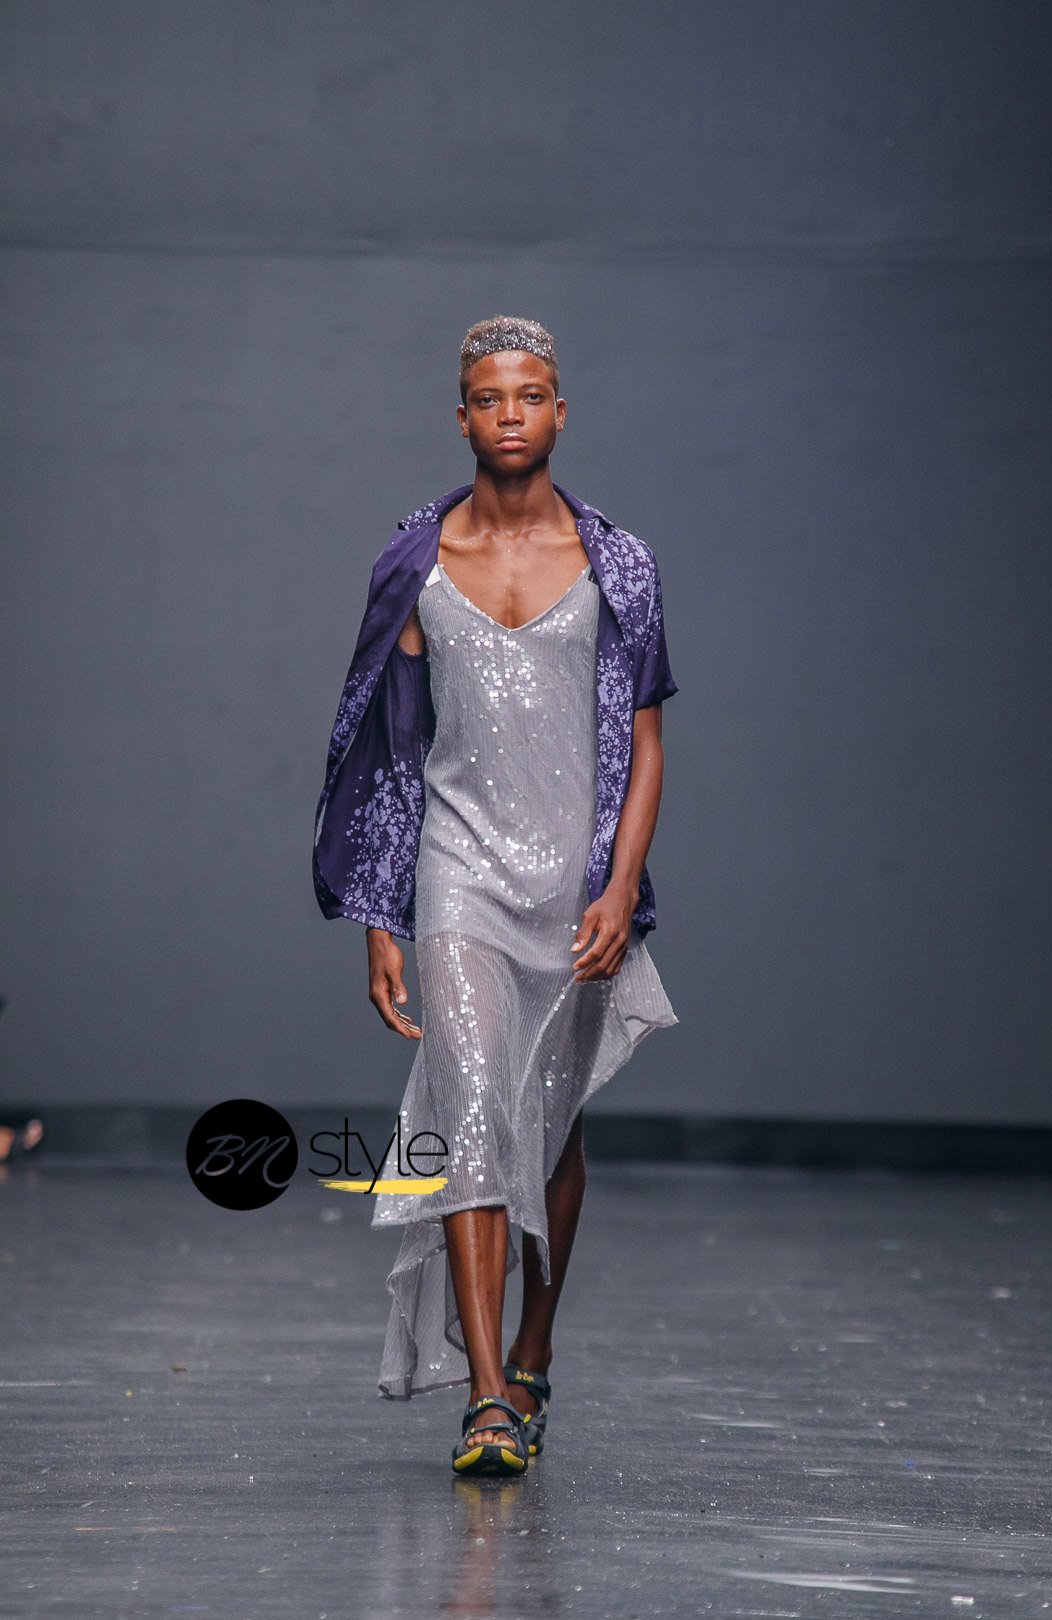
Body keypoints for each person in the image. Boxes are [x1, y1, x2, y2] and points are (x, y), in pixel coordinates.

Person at [312, 316, 680, 1476]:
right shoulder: (415, 563)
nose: (510, 413)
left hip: (572, 882)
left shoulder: (620, 564)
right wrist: (381, 914)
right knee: (472, 1106)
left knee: (550, 1125)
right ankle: (485, 1399)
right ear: (462, 416)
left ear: (559, 411)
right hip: (458, 871)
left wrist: (621, 884)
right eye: (488, 396)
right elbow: (385, 751)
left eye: (530, 395)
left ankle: (533, 1348)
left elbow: (646, 741)